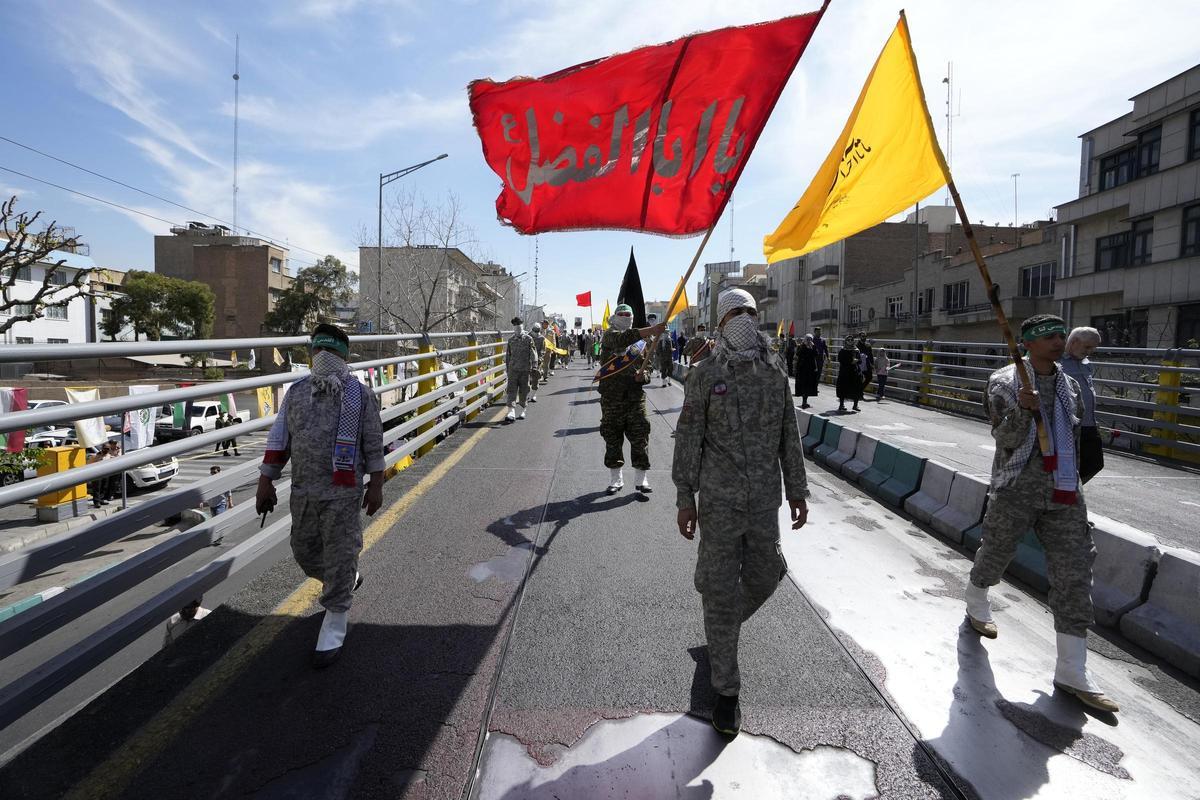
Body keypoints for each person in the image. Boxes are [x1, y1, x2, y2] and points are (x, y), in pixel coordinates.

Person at [964, 314, 1118, 713]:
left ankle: (1072, 669)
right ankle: (977, 598)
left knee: (1075, 569)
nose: (1057, 341)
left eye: (1059, 335)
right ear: (1028, 343)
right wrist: (1022, 410)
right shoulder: (1004, 382)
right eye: (1048, 336)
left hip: (1064, 490)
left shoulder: (1068, 384)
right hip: (1017, 488)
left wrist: (1075, 479)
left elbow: (1077, 431)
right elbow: (1006, 437)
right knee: (996, 552)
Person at [673, 287, 808, 737]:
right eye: (736, 314)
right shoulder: (705, 374)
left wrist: (798, 490)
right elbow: (689, 438)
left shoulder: (774, 374)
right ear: (721, 321)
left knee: (768, 574)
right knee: (717, 586)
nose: (745, 320)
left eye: (750, 313)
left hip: (763, 503)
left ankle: (720, 629)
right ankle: (727, 691)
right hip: (719, 503)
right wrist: (683, 498)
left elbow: (790, 436)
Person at [256, 323, 385, 668]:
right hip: (304, 490)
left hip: (343, 492)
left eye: (331, 351)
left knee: (341, 552)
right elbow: (279, 438)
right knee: (304, 551)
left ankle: (335, 621)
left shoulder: (360, 395)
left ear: (344, 355)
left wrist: (377, 483)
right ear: (311, 353)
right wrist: (265, 480)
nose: (324, 357)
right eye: (318, 350)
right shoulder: (296, 393)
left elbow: (373, 442)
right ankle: (345, 580)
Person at [598, 304, 666, 494]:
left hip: (635, 398)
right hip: (612, 398)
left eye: (629, 314)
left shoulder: (643, 343)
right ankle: (616, 479)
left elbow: (649, 367)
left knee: (640, 436)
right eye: (622, 314)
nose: (626, 317)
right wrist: (651, 330)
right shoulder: (610, 335)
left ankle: (641, 480)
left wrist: (642, 376)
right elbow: (623, 339)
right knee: (612, 437)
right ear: (614, 316)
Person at [1060, 327, 1103, 483]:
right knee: (1071, 465)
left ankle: (1072, 490)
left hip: (1089, 423)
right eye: (1087, 347)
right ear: (1074, 342)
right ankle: (1067, 493)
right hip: (1070, 425)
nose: (1090, 351)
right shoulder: (1058, 361)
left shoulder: (1085, 362)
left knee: (1095, 463)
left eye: (1093, 348)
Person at [504, 317, 538, 421]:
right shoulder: (511, 340)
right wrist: (507, 369)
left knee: (524, 391)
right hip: (513, 370)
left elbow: (533, 353)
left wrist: (535, 366)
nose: (517, 330)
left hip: (524, 370)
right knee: (511, 390)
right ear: (514, 328)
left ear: (522, 328)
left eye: (519, 328)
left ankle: (523, 410)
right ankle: (511, 412)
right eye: (516, 328)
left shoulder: (528, 339)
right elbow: (508, 356)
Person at [794, 334, 821, 407]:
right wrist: (804, 346)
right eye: (808, 339)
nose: (809, 341)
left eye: (810, 339)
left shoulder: (813, 347)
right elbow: (798, 354)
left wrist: (813, 347)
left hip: (811, 369)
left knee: (809, 386)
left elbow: (816, 354)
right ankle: (804, 402)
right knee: (804, 386)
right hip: (803, 369)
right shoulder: (802, 346)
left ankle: (805, 401)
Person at [836, 339, 863, 413]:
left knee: (856, 388)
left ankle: (855, 405)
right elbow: (840, 360)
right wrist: (850, 362)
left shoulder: (856, 350)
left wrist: (857, 360)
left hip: (855, 372)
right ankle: (841, 405)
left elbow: (860, 360)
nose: (850, 341)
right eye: (849, 340)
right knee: (843, 388)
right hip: (845, 372)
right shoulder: (843, 350)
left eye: (852, 340)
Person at [530, 322, 545, 401]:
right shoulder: (528, 337)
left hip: (537, 360)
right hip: (528, 360)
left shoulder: (542, 338)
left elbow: (543, 350)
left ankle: (533, 395)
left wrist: (540, 358)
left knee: (536, 378)